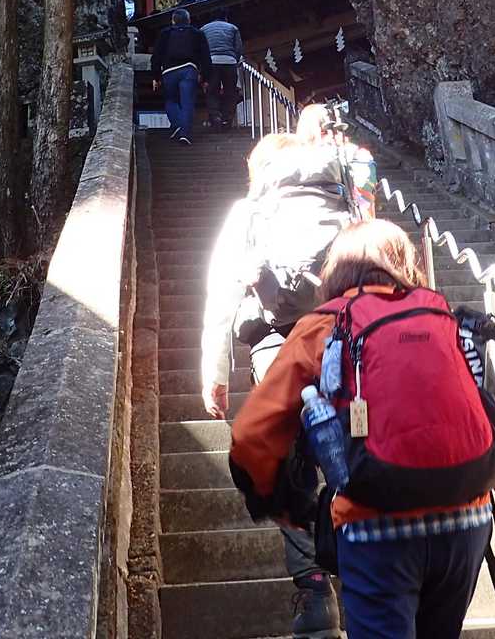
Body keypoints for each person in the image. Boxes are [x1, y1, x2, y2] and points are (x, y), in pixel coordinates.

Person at [230, 219, 495, 639]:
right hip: (466, 522)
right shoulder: (446, 322)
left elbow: (252, 434)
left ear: (335, 271)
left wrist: (282, 505)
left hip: (373, 524)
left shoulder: (325, 325)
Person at [198, 132, 344, 638]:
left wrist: (215, 372)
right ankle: (363, 560)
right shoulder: (337, 202)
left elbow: (221, 292)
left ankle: (314, 590)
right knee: (350, 451)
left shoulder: (250, 212)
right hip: (341, 341)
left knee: (287, 465)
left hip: (276, 348)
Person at [151, 7, 209, 144]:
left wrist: (156, 76)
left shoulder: (165, 33)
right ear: (189, 20)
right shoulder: (197, 33)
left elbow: (156, 56)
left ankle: (177, 124)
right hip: (189, 69)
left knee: (170, 100)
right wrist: (205, 76)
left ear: (173, 21)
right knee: (187, 102)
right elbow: (205, 56)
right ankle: (185, 133)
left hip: (169, 71)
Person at [200, 14, 244, 129]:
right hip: (229, 62)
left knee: (212, 91)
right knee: (230, 91)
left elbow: (200, 49)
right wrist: (235, 59)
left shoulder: (204, 29)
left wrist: (202, 66)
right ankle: (227, 118)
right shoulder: (233, 28)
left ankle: (215, 116)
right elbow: (239, 48)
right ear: (226, 18)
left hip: (211, 61)